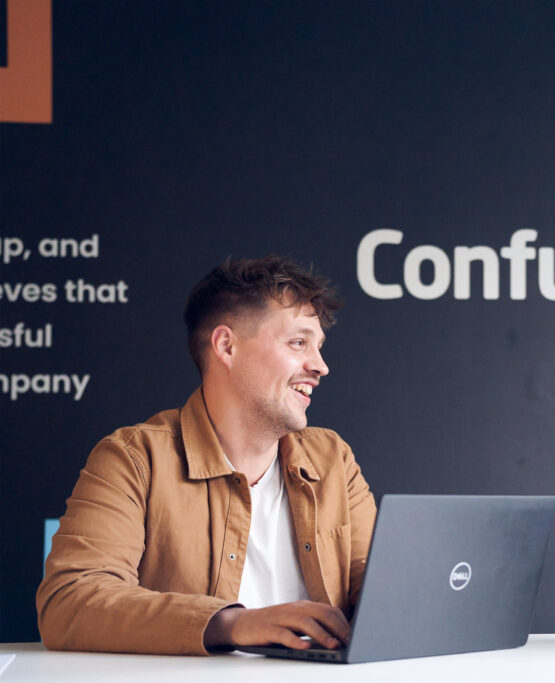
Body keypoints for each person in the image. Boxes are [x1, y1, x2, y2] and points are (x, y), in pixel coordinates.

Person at [37, 256, 376, 655]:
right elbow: (69, 603)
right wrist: (233, 623)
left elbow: (379, 590)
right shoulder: (133, 458)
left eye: (318, 347)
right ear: (226, 346)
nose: (320, 366)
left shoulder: (333, 458)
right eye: (298, 343)